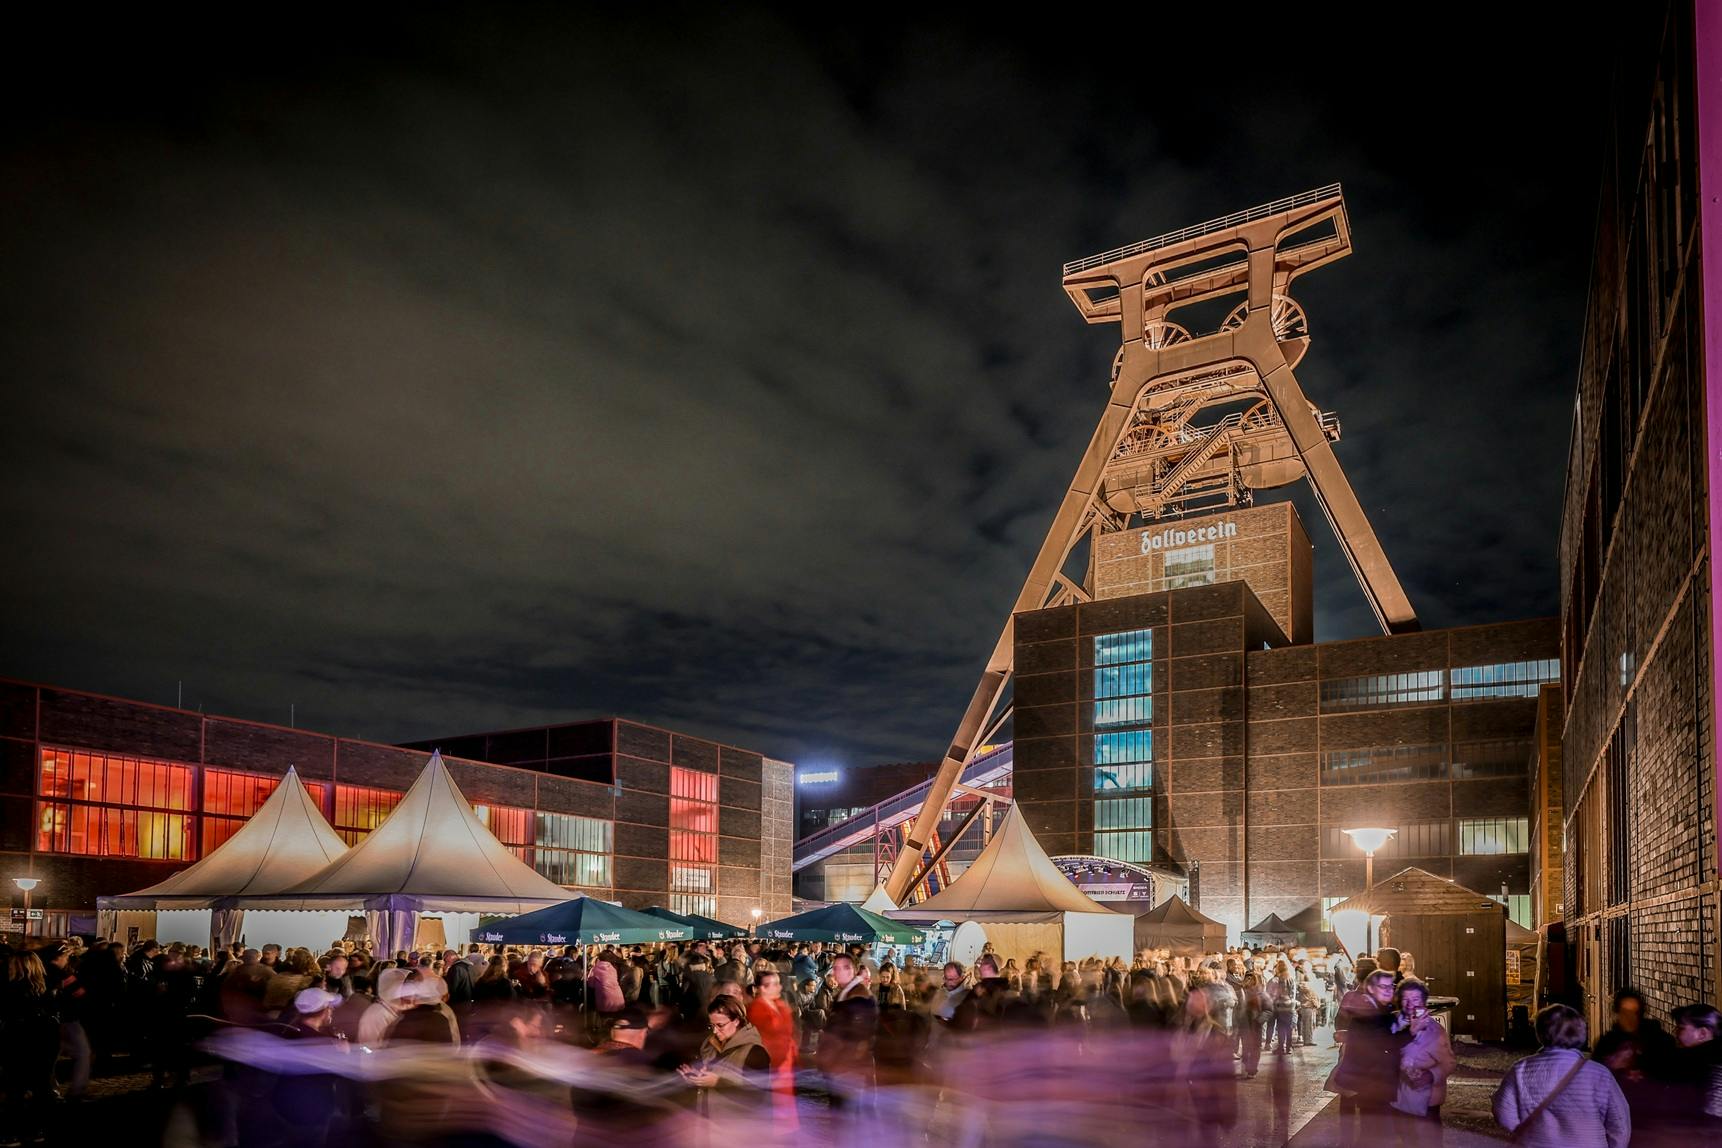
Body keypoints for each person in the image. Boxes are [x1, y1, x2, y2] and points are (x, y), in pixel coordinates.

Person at [1493, 1004, 1630, 1148]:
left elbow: (1503, 1114)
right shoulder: (1599, 1074)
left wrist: (1530, 1132)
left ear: (1540, 1032)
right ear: (1581, 1033)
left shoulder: (1521, 1070)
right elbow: (1620, 1124)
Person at [1329, 969, 1407, 1146]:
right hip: (1373, 1083)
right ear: (1371, 989)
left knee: (1374, 1132)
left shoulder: (1381, 1008)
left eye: (1391, 987)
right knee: (1377, 1133)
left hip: (1375, 1084)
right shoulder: (1370, 1011)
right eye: (1383, 987)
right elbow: (1377, 1042)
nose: (1389, 990)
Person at [2, 950, 60, 1145]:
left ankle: (12, 1133)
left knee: (15, 1089)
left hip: (19, 1044)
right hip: (44, 1044)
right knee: (40, 1088)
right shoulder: (46, 989)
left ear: (19, 967)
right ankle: (37, 1130)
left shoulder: (12, 990)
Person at [680, 996, 771, 1113]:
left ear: (737, 1021)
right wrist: (697, 1078)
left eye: (720, 1025)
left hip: (737, 1127)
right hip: (710, 1124)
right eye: (712, 1026)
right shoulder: (710, 1045)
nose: (715, 1031)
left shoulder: (755, 1052)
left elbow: (757, 1098)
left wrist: (718, 1083)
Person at [1391, 977, 1454, 1143]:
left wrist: (1431, 1075)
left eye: (1416, 999)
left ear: (1424, 1002)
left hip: (1427, 1100)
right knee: (1405, 1139)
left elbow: (1449, 1062)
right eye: (1406, 999)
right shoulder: (1392, 1024)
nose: (1410, 1004)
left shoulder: (1435, 1030)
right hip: (1398, 1098)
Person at [1669, 1003, 1722, 1127]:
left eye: (1681, 1028)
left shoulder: (1712, 1070)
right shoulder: (1696, 1063)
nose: (1676, 1033)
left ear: (1702, 1034)